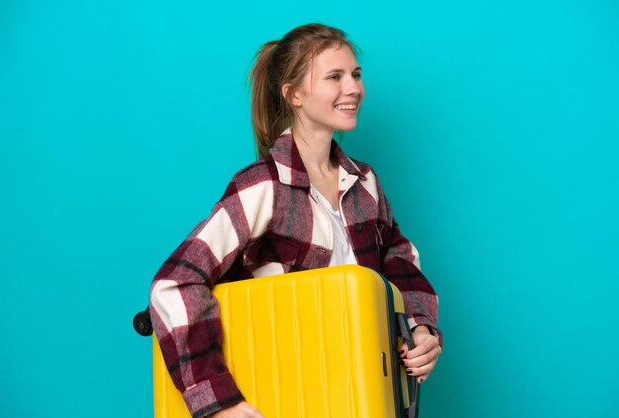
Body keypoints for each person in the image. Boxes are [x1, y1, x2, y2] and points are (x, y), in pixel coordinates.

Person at [150, 23, 442, 418]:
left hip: (369, 394)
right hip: (297, 394)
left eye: (355, 75)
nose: (353, 88)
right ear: (294, 95)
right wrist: (221, 406)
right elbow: (174, 284)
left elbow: (398, 258)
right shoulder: (263, 187)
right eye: (334, 77)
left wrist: (420, 328)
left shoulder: (365, 183)